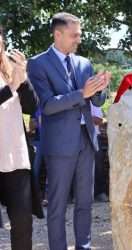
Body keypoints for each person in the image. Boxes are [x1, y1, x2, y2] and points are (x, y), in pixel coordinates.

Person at [27, 12, 110, 250]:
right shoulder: (37, 64)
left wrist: (101, 89)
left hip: (87, 142)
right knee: (57, 205)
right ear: (58, 34)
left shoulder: (84, 63)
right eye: (74, 35)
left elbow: (95, 101)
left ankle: (83, 247)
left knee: (85, 202)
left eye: (79, 35)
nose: (78, 40)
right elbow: (47, 105)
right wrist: (80, 94)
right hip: (59, 146)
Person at [0, 25, 41, 250]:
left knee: (23, 222)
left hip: (15, 158)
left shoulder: (9, 70)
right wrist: (12, 87)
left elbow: (32, 106)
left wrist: (22, 80)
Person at [90, 102, 108, 202]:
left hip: (94, 136)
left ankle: (100, 192)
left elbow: (99, 120)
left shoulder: (95, 102)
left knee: (98, 165)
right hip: (76, 136)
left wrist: (84, 115)